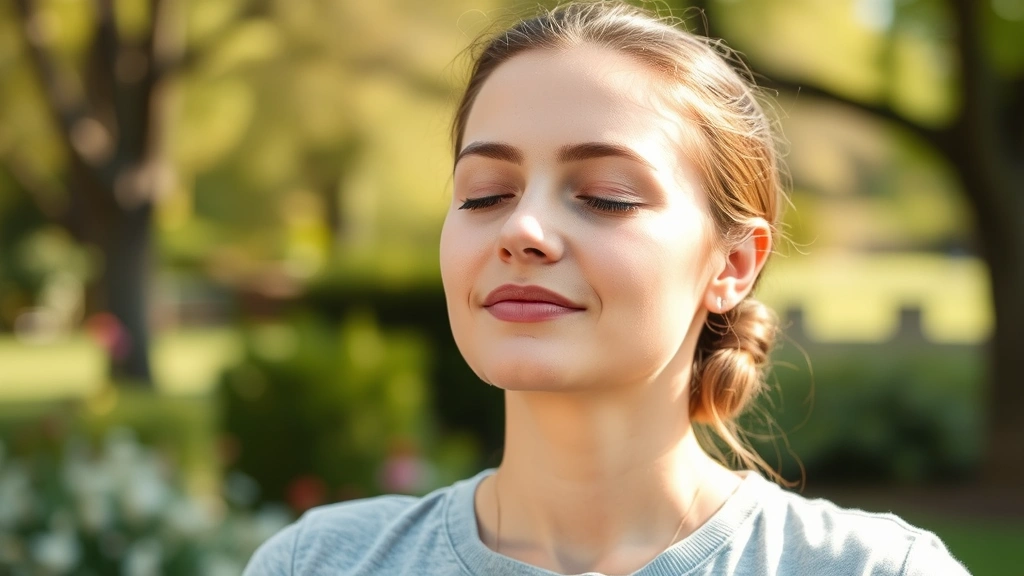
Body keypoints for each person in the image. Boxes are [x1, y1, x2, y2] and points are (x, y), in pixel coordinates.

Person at [243, 2, 971, 574]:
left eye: (605, 195)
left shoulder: (876, 571)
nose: (522, 227)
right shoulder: (318, 565)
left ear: (733, 266)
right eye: (485, 193)